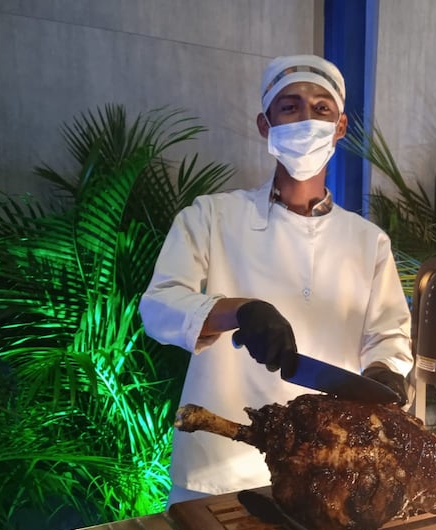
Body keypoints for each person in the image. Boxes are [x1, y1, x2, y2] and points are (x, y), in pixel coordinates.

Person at [140, 53, 413, 506]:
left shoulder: (368, 242)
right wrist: (239, 311)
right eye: (290, 107)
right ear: (265, 125)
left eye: (321, 108)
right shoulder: (212, 216)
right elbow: (158, 306)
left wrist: (385, 370)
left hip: (326, 472)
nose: (307, 119)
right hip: (218, 466)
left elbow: (388, 334)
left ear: (340, 127)